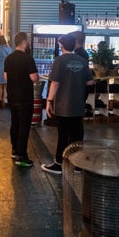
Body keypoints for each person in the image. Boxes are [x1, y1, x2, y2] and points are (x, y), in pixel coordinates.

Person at [42, 34, 94, 174]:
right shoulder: (83, 61)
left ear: (62, 45)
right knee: (77, 135)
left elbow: (55, 83)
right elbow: (90, 81)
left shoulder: (60, 60)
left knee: (63, 135)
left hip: (63, 105)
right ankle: (78, 165)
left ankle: (59, 164)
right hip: (78, 105)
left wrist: (49, 101)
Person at [4, 32, 39, 167]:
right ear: (24, 42)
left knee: (15, 123)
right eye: (28, 40)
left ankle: (14, 150)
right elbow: (34, 78)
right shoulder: (27, 59)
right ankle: (21, 156)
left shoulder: (9, 58)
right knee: (24, 126)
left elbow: (6, 77)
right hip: (25, 97)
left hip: (12, 96)